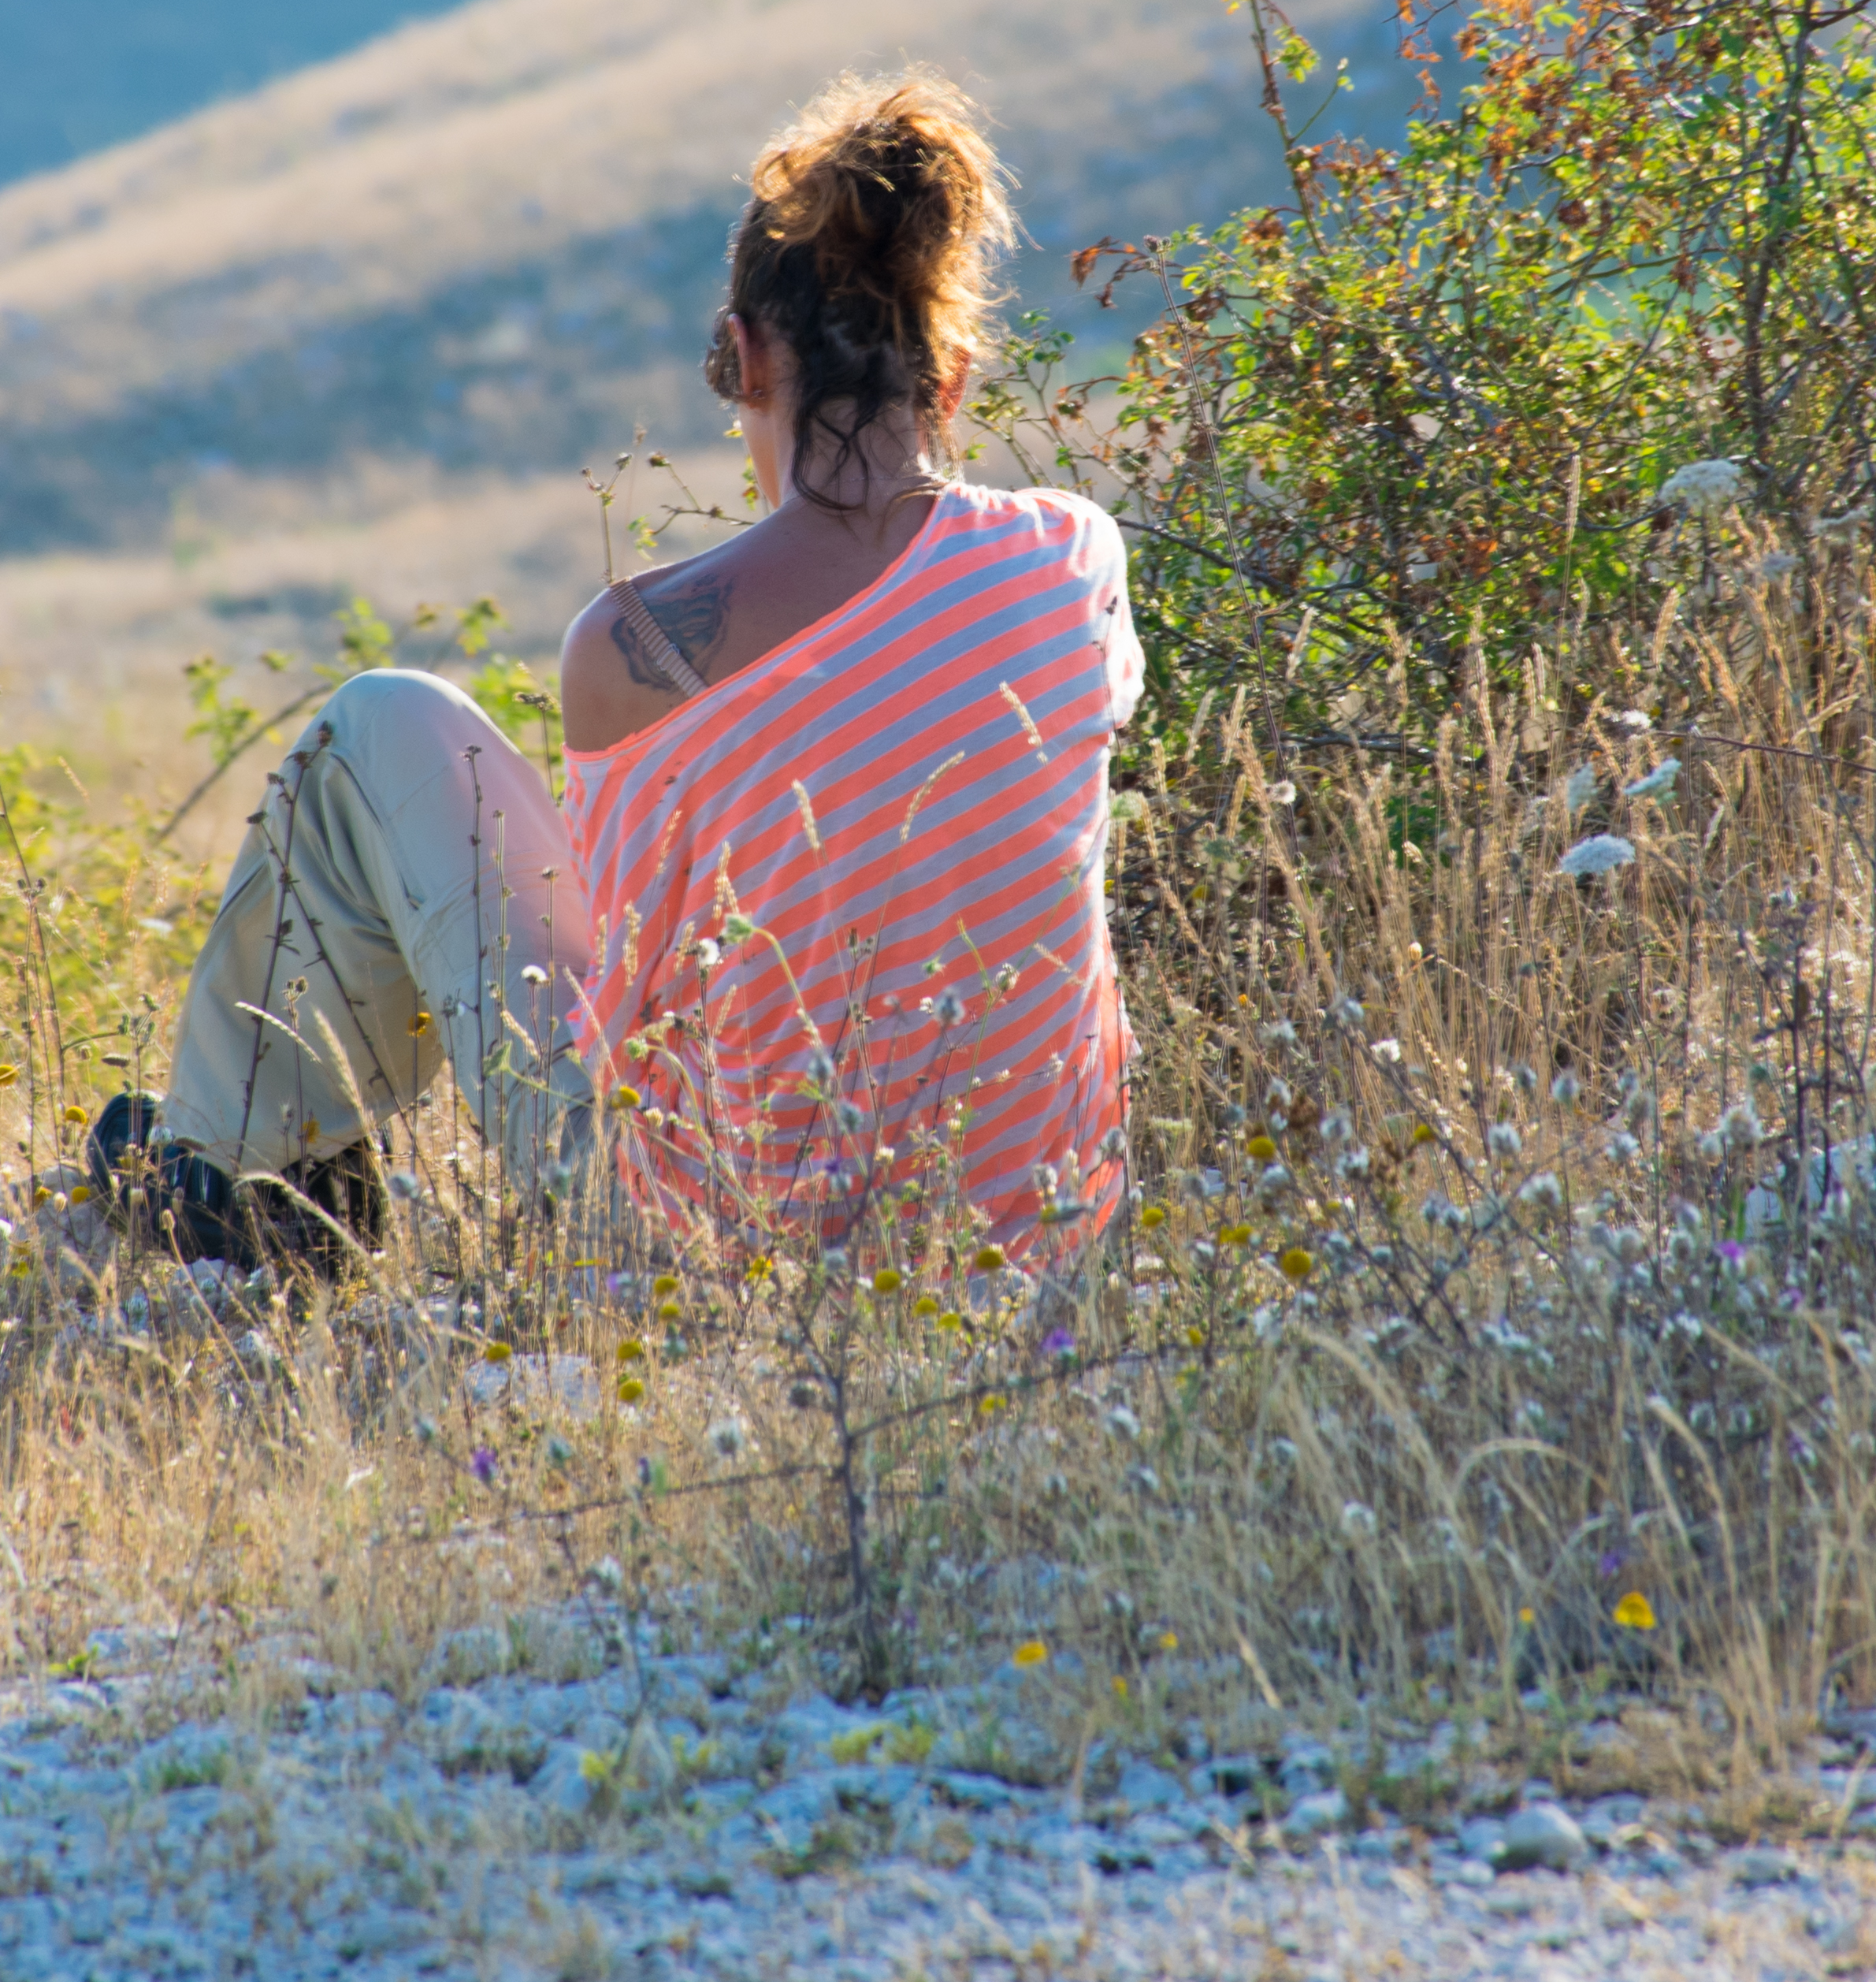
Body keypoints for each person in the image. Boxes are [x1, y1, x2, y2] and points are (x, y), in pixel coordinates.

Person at [86, 72, 1144, 1276]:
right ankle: (256, 1178)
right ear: (951, 377)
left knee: (385, 722)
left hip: (722, 1257)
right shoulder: (1071, 555)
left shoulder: (639, 647)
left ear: (744, 361)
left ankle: (234, 1186)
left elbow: (630, 1009)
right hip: (1048, 1238)